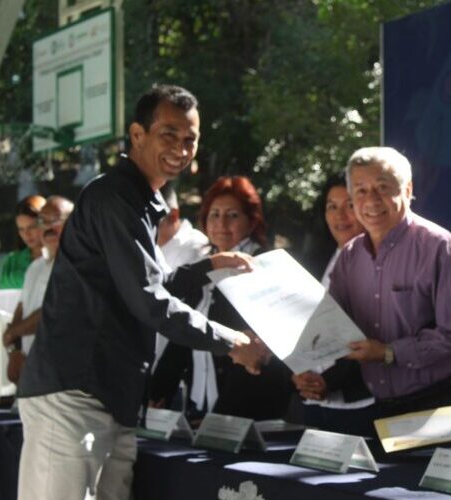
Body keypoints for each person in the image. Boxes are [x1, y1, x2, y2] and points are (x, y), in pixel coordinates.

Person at [16, 84, 267, 500]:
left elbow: (144, 289)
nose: (181, 148)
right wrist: (231, 342)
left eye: (190, 139)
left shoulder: (141, 201)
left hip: (110, 398)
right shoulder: (115, 197)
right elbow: (148, 301)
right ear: (137, 135)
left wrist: (209, 266)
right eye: (168, 133)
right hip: (74, 395)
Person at [310, 146, 451, 422]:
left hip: (441, 404)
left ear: (408, 189)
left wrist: (389, 352)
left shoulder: (439, 246)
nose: (372, 200)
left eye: (383, 187)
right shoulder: (349, 257)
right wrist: (315, 375)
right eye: (361, 190)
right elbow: (333, 326)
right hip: (380, 409)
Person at [152, 176, 294, 421]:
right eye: (214, 214)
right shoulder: (204, 265)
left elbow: (270, 341)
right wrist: (160, 387)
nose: (221, 223)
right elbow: (184, 334)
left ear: (252, 221)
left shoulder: (265, 265)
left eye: (232, 215)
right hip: (202, 402)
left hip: (251, 407)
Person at [292, 175, 375, 435]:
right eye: (331, 206)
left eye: (349, 205)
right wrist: (298, 373)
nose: (340, 215)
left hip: (361, 403)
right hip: (313, 402)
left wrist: (326, 381)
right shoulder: (316, 262)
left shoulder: (379, 262)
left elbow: (374, 335)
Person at [3, 196, 74, 384]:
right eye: (43, 221)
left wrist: (12, 333)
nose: (49, 227)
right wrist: (14, 351)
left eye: (56, 220)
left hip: (62, 376)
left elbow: (51, 313)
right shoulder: (35, 267)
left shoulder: (77, 266)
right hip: (31, 376)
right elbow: (21, 309)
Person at [153, 183, 209, 366]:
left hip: (173, 361)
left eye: (153, 219)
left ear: (173, 215)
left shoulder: (197, 248)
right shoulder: (150, 247)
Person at [0, 195, 45, 289]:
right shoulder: (13, 260)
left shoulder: (60, 258)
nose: (26, 234)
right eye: (21, 229)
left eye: (31, 227)